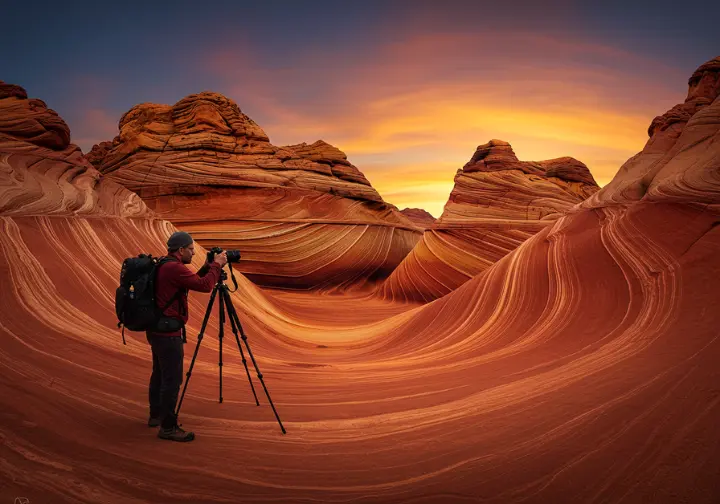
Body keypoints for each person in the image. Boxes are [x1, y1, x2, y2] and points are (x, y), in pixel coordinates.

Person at [147, 231, 227, 442]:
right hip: (169, 333)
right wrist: (217, 265)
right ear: (181, 250)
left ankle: (155, 415)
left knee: (159, 374)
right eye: (191, 249)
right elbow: (205, 286)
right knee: (172, 380)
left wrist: (208, 265)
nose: (193, 252)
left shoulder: (164, 264)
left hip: (156, 329)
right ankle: (167, 427)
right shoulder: (174, 268)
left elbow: (192, 279)